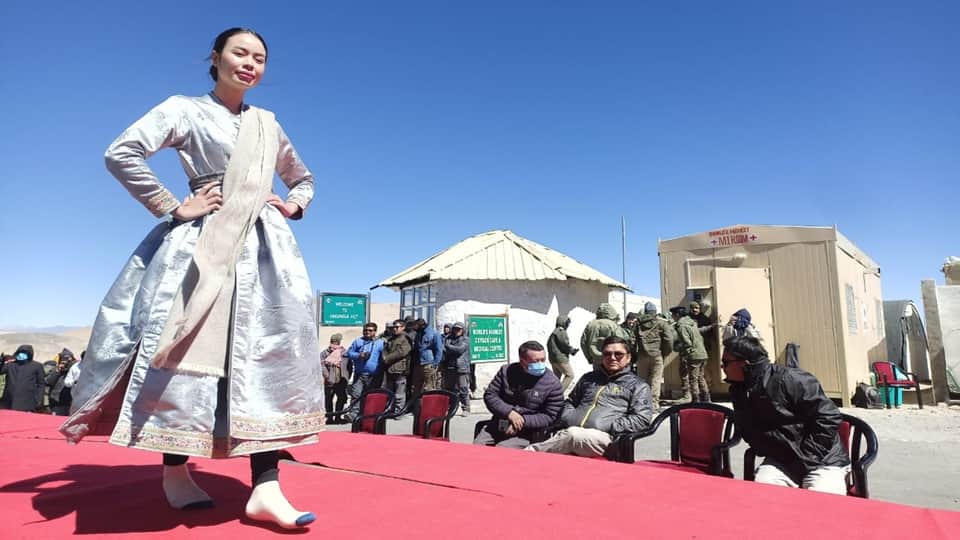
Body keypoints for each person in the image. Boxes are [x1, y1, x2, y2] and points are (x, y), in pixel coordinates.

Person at [58, 28, 323, 529]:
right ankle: (176, 473)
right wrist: (173, 205)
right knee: (186, 353)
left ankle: (266, 487)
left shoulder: (268, 124)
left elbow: (303, 177)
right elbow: (122, 152)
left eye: (259, 57)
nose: (249, 63)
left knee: (265, 357)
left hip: (265, 250)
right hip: (202, 242)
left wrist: (293, 204)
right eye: (240, 53)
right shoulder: (184, 109)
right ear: (216, 58)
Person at [723, 335, 849, 494]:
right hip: (783, 460)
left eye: (726, 363)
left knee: (822, 501)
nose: (722, 367)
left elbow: (828, 417)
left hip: (823, 460)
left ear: (744, 364)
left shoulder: (791, 379)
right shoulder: (739, 391)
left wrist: (807, 457)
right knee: (763, 492)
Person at [526, 336, 653, 458]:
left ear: (628, 357)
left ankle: (528, 455)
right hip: (572, 430)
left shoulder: (638, 386)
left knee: (573, 435)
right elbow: (571, 402)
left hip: (607, 438)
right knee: (570, 434)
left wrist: (608, 425)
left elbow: (642, 419)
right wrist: (569, 417)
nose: (612, 358)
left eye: (618, 354)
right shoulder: (589, 379)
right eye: (607, 354)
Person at [474, 341, 563, 449]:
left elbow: (550, 415)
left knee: (502, 450)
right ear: (522, 361)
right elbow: (490, 395)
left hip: (528, 432)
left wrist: (522, 421)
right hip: (498, 424)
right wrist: (509, 412)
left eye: (543, 360)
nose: (540, 364)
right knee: (477, 447)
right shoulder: (506, 371)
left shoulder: (552, 383)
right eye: (536, 361)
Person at [634, 302, 676, 409]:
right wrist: (665, 353)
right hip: (657, 355)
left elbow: (632, 340)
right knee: (656, 380)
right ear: (655, 312)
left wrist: (635, 355)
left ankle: (640, 404)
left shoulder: (638, 324)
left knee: (641, 380)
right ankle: (653, 405)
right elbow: (669, 340)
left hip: (642, 355)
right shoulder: (661, 323)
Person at [344, 323, 385, 419]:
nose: (367, 332)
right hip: (359, 374)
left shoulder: (380, 343)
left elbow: (385, 357)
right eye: (365, 330)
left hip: (374, 375)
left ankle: (369, 415)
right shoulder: (358, 341)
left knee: (371, 396)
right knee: (356, 394)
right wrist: (359, 355)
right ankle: (353, 415)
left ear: (375, 331)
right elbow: (349, 353)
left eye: (370, 330)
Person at [671, 306, 710, 403]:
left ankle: (696, 401)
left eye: (673, 315)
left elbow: (686, 343)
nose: (672, 317)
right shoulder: (692, 323)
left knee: (693, 379)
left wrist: (678, 348)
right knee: (700, 377)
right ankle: (707, 400)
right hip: (702, 353)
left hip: (694, 355)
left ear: (677, 315)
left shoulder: (681, 326)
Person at [580, 303, 630, 367]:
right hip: (611, 359)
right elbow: (621, 342)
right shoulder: (613, 325)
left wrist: (589, 358)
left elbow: (583, 343)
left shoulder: (590, 325)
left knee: (597, 376)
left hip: (596, 360)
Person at [0, 345, 45, 412]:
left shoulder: (37, 366)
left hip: (27, 403)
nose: (21, 354)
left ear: (30, 354)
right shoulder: (10, 365)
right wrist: (1, 362)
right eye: (20, 352)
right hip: (8, 402)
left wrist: (39, 400)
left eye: (24, 352)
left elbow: (41, 384)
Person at [381, 320, 412, 413]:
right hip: (389, 369)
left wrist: (387, 358)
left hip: (400, 369)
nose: (394, 329)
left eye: (397, 327)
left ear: (403, 327)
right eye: (393, 327)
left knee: (399, 393)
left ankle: (399, 411)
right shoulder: (391, 339)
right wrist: (384, 357)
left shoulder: (405, 339)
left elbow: (402, 352)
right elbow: (385, 350)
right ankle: (390, 409)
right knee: (389, 391)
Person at [441, 323, 471, 416]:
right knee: (449, 389)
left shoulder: (466, 340)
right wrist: (448, 347)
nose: (456, 331)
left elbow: (460, 350)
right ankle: (450, 408)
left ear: (462, 330)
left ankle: (466, 408)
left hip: (462, 368)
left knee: (463, 389)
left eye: (459, 329)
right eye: (455, 329)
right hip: (450, 367)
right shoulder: (449, 339)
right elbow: (444, 350)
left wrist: (448, 346)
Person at [546, 315, 579, 393]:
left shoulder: (554, 331)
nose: (568, 325)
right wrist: (572, 350)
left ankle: (550, 393)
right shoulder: (561, 331)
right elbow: (564, 344)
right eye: (567, 323)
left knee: (556, 378)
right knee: (570, 375)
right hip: (560, 358)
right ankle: (559, 393)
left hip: (553, 358)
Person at [411, 319, 443, 397]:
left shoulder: (434, 333)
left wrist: (435, 364)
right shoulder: (418, 334)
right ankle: (417, 408)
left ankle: (431, 408)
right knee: (415, 389)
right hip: (418, 364)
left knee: (429, 388)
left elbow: (439, 350)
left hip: (428, 364)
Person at [321, 334, 350, 418]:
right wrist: (327, 376)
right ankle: (329, 417)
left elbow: (349, 365)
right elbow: (322, 365)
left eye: (336, 341)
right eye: (333, 341)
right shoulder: (325, 353)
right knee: (329, 399)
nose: (334, 343)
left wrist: (347, 376)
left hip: (341, 380)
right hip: (330, 380)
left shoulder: (344, 352)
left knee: (341, 399)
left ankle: (338, 417)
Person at [46, 349, 78, 416]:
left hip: (70, 402)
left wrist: (70, 366)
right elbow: (48, 381)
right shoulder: (56, 369)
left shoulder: (74, 369)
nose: (66, 361)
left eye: (68, 359)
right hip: (57, 403)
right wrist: (58, 371)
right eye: (64, 359)